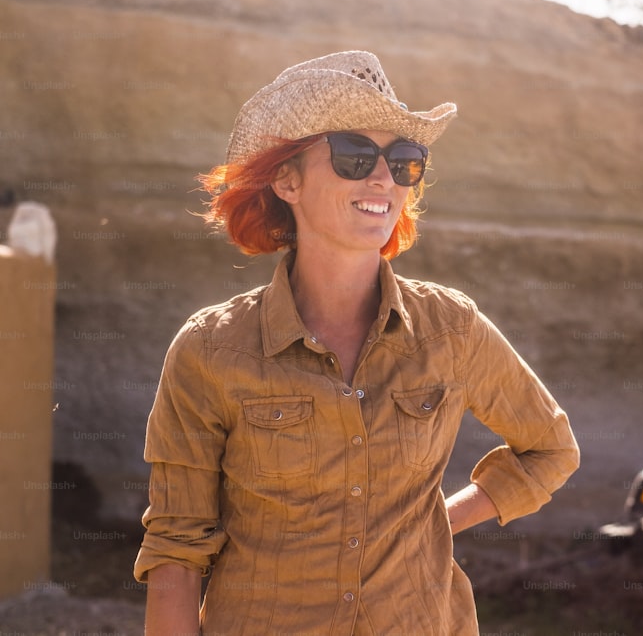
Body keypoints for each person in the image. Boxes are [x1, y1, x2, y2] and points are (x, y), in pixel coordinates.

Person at [133, 50, 580, 635]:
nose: (382, 178)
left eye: (403, 162)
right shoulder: (209, 350)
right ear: (286, 179)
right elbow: (176, 550)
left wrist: (436, 519)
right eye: (354, 156)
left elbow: (550, 450)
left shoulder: (453, 328)